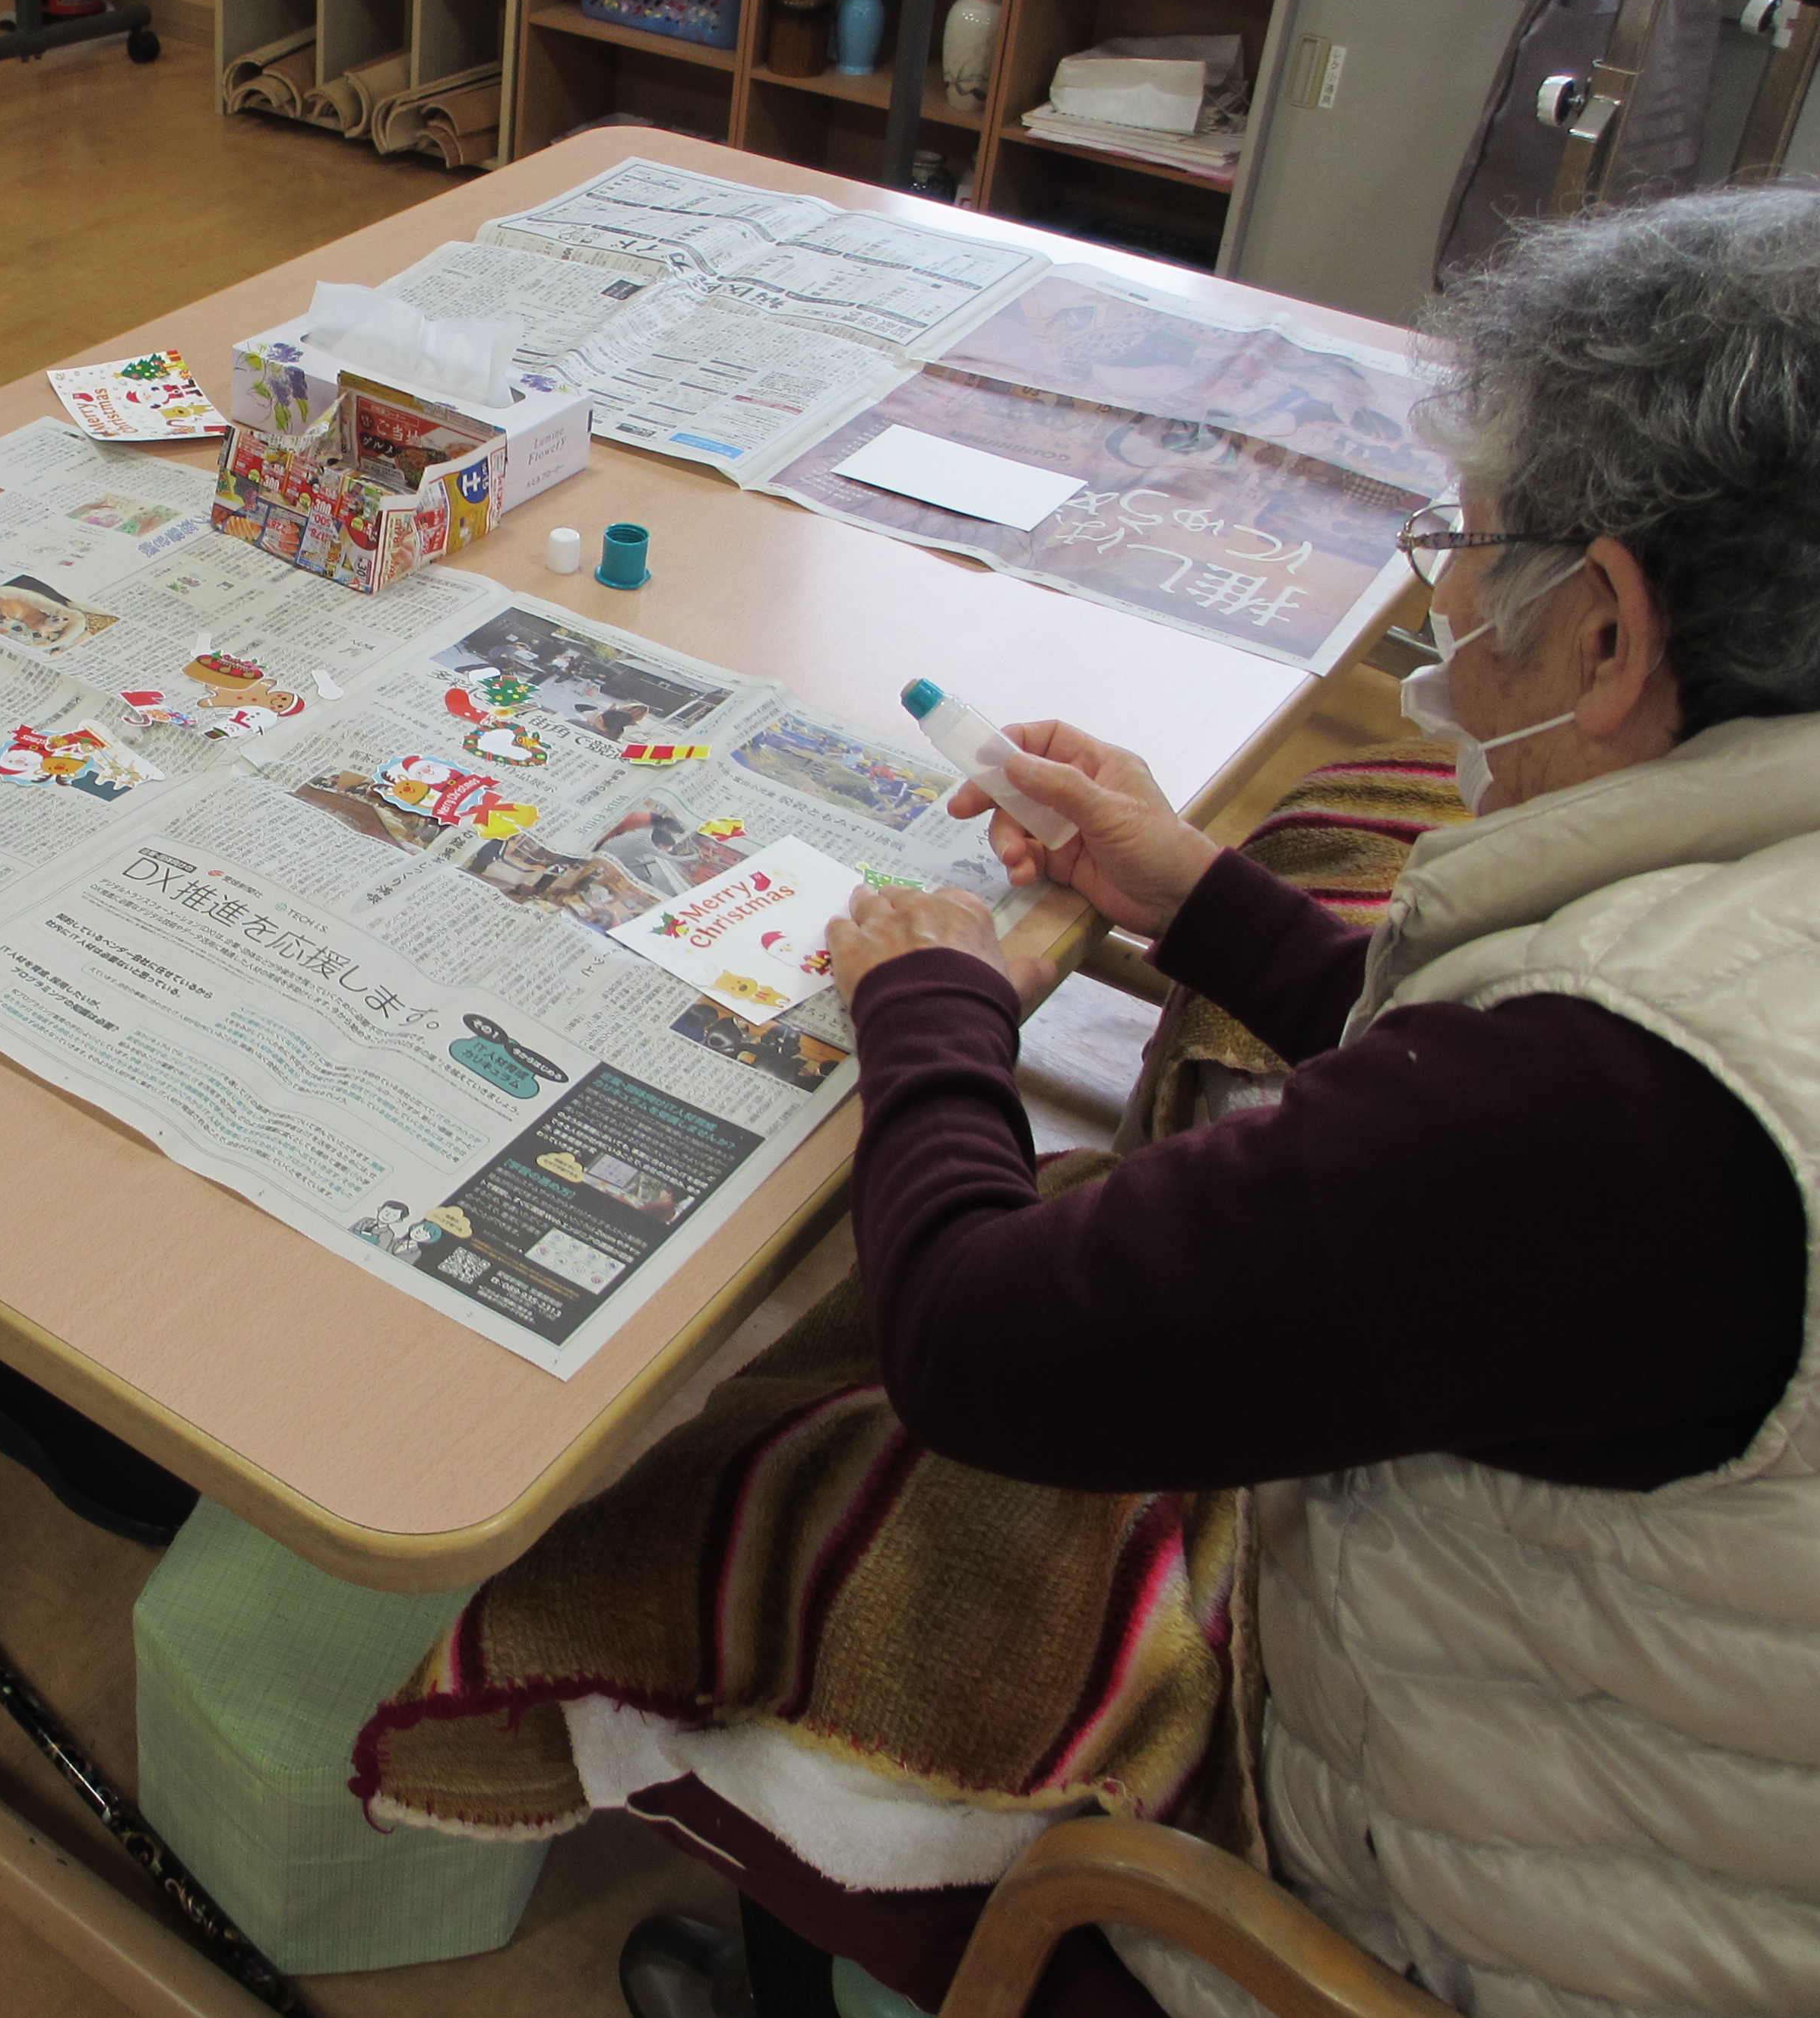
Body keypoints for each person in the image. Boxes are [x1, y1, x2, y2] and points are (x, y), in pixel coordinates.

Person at [619, 189, 1820, 2018]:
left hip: (1480, 1923)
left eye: (1467, 551)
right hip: (1689, 1779)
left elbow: (977, 1346)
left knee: (776, 1494)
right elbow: (1476, 1116)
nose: (1445, 613)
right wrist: (1196, 896)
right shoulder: (1706, 977)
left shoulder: (1607, 1111)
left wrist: (933, 1004)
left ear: (1605, 632)